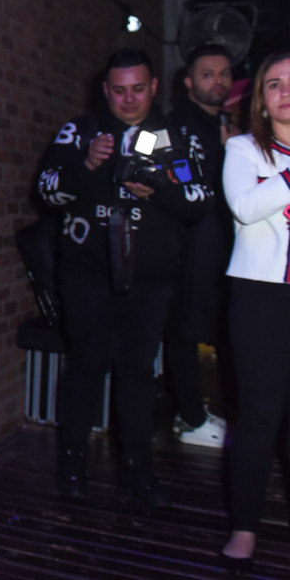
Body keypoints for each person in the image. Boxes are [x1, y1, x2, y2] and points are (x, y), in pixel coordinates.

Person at [37, 47, 212, 506]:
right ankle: (73, 469)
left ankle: (139, 472)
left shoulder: (176, 134)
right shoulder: (82, 131)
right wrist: (86, 166)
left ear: (154, 87)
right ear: (105, 90)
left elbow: (200, 200)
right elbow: (46, 193)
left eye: (138, 89)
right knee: (85, 369)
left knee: (137, 375)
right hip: (87, 278)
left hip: (150, 281)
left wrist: (159, 189)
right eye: (119, 90)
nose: (129, 99)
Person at [218, 50, 290, 569]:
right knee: (260, 416)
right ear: (261, 99)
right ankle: (244, 527)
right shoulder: (244, 148)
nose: (285, 91)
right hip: (260, 296)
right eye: (274, 84)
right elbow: (244, 206)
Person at [163, 44, 236, 447]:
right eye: (209, 74)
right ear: (189, 81)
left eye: (224, 73)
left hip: (221, 243)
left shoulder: (225, 126)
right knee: (184, 328)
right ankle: (191, 418)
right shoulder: (170, 123)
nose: (218, 81)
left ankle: (198, 411)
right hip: (186, 243)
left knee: (214, 326)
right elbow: (145, 159)